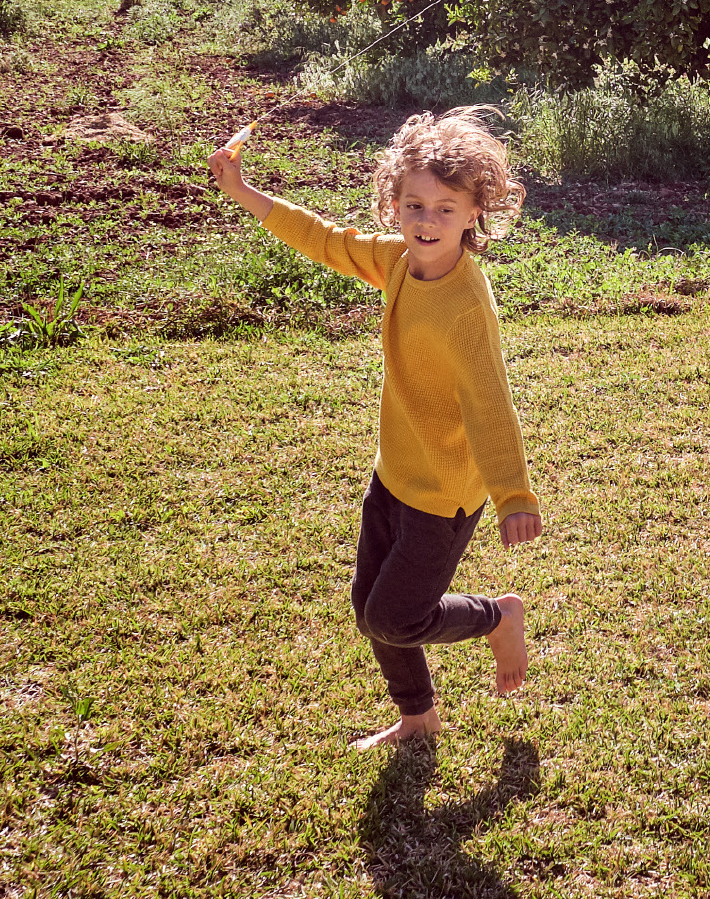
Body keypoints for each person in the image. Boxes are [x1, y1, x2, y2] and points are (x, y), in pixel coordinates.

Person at [207, 106, 542, 749]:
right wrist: (244, 190)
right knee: (371, 612)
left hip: (444, 493)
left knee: (396, 617)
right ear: (394, 204)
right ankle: (418, 719)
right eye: (414, 204)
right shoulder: (393, 261)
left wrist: (514, 495)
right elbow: (325, 238)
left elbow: (491, 404)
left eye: (447, 208)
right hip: (393, 473)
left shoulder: (466, 306)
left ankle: (496, 617)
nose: (428, 220)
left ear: (477, 213)